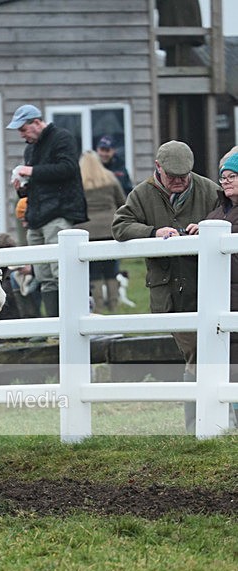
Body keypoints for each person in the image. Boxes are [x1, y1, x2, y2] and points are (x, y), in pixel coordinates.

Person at [112, 140, 219, 432]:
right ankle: (197, 422)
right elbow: (120, 225)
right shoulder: (142, 194)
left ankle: (206, 421)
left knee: (205, 352)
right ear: (158, 168)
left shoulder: (208, 189)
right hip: (169, 292)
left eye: (184, 176)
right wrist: (152, 232)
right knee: (196, 350)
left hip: (206, 286)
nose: (180, 181)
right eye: (173, 176)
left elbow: (226, 216)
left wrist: (205, 226)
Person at [7, 104, 87, 317]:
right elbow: (38, 182)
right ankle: (55, 324)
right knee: (44, 276)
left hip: (59, 213)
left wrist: (31, 171)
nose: (22, 135)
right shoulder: (30, 148)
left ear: (36, 122)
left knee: (61, 272)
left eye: (23, 129)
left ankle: (70, 320)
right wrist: (22, 188)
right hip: (36, 217)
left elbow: (68, 168)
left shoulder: (62, 138)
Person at [205, 151, 238, 425]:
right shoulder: (217, 212)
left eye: (232, 176)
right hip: (223, 297)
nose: (226, 181)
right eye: (223, 177)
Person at [76, 150, 126, 313]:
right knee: (111, 270)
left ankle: (98, 309)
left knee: (94, 272)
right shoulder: (110, 178)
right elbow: (122, 202)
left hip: (87, 231)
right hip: (110, 229)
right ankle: (114, 306)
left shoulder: (78, 181)